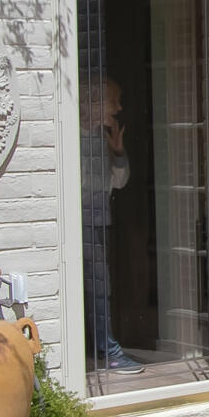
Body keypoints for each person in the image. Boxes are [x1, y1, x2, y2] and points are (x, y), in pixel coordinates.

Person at [81, 78, 135, 373]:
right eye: (113, 101)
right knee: (95, 287)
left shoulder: (101, 137)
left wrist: (117, 151)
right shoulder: (73, 137)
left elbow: (120, 181)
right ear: (93, 102)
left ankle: (106, 349)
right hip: (83, 221)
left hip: (99, 220)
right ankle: (106, 350)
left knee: (100, 287)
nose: (118, 108)